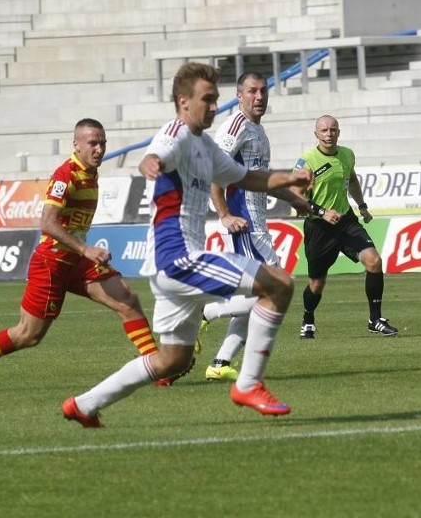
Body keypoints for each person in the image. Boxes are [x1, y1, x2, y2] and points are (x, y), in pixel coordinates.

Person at [61, 63, 312, 427]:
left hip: (173, 268)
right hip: (180, 259)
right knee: (279, 284)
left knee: (172, 360)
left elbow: (247, 177)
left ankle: (83, 405)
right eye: (207, 100)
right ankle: (249, 383)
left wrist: (290, 177)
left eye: (215, 100)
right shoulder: (176, 133)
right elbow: (158, 152)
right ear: (184, 102)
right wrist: (150, 162)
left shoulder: (205, 146)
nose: (214, 108)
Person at [0, 118, 161, 393]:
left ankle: (159, 368)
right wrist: (85, 249)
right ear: (77, 145)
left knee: (127, 300)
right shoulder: (66, 175)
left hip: (76, 261)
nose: (99, 149)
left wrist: (82, 251)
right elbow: (47, 223)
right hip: (53, 261)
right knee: (29, 334)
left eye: (102, 143)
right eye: (93, 143)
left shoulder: (90, 172)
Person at [200, 72, 310, 382]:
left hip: (258, 221)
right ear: (239, 96)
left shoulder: (259, 133)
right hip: (244, 222)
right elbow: (214, 171)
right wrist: (223, 214)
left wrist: (295, 201)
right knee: (276, 286)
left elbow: (260, 181)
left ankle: (220, 362)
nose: (259, 96)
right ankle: (206, 313)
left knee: (262, 293)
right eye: (252, 91)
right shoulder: (235, 127)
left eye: (263, 90)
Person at [291, 114, 399, 340]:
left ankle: (375, 319)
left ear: (338, 132)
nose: (329, 134)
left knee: (374, 261)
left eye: (333, 130)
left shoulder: (347, 155)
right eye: (324, 131)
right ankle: (308, 317)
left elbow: (353, 180)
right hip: (319, 227)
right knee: (316, 284)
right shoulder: (307, 161)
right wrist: (322, 212)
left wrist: (362, 206)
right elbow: (295, 197)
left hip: (346, 221)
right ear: (316, 134)